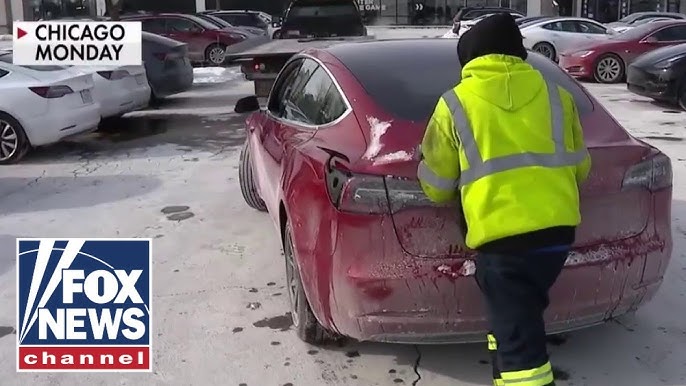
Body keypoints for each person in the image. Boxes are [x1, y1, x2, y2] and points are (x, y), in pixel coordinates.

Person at [416, 13, 591, 386]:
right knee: (513, 320)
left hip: (503, 242)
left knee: (521, 355)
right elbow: (581, 169)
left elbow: (436, 185)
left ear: (470, 59)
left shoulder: (455, 104)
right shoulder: (557, 96)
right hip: (557, 235)